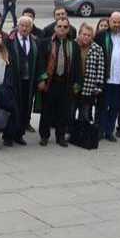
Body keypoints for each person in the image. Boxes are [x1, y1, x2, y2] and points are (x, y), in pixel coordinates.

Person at [37, 18, 79, 147]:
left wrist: (76, 84)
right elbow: (41, 63)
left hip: (65, 83)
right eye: (59, 26)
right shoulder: (46, 43)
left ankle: (60, 137)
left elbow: (77, 66)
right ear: (55, 28)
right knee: (46, 111)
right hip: (50, 82)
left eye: (65, 27)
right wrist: (42, 80)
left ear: (68, 29)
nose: (62, 29)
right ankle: (44, 136)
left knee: (63, 111)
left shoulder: (73, 45)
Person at [95, 12, 120, 142]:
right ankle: (99, 130)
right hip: (105, 79)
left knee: (115, 107)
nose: (117, 25)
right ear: (109, 22)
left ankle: (109, 131)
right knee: (102, 106)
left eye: (119, 22)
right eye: (114, 22)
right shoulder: (101, 36)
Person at [8, 16, 39, 145]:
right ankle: (8, 136)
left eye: (27, 26)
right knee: (12, 108)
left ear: (31, 28)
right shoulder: (10, 41)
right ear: (18, 26)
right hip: (14, 82)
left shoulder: (35, 42)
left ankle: (19, 134)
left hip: (28, 82)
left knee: (25, 108)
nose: (24, 28)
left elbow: (39, 61)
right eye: (22, 25)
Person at [74, 23, 104, 131]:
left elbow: (100, 69)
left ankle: (82, 133)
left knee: (84, 112)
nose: (86, 37)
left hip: (89, 86)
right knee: (71, 110)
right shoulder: (73, 45)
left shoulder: (97, 49)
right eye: (84, 34)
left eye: (89, 35)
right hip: (74, 85)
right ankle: (69, 132)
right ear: (79, 34)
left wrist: (98, 87)